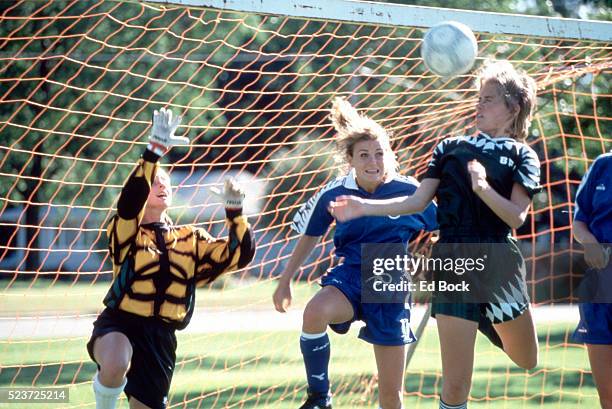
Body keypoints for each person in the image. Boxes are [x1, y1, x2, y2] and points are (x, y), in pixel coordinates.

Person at [329, 61, 541, 409]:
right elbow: (415, 201)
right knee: (456, 385)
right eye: (479, 97)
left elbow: (516, 217)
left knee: (527, 359)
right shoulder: (450, 148)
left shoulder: (523, 155)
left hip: (500, 261)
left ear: (512, 108)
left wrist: (484, 188)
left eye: (488, 99)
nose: (479, 105)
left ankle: (484, 315)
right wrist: (364, 207)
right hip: (455, 260)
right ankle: (473, 312)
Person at [272, 98, 438, 409]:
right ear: (350, 160)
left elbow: (446, 224)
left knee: (391, 396)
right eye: (364, 155)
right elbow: (310, 234)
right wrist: (285, 280)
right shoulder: (335, 193)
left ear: (389, 156)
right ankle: (320, 397)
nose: (373, 161)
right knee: (314, 313)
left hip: (390, 281)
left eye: (379, 154)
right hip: (350, 275)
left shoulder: (409, 191)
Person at [87, 108, 256, 409]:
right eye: (154, 182)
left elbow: (238, 256)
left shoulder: (191, 239)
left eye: (165, 181)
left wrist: (235, 214)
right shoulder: (127, 233)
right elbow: (128, 205)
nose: (162, 185)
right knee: (115, 361)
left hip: (161, 338)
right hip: (121, 323)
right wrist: (152, 154)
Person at [571, 151, 612, 409]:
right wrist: (590, 244)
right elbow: (580, 221)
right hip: (599, 285)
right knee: (607, 396)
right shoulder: (602, 165)